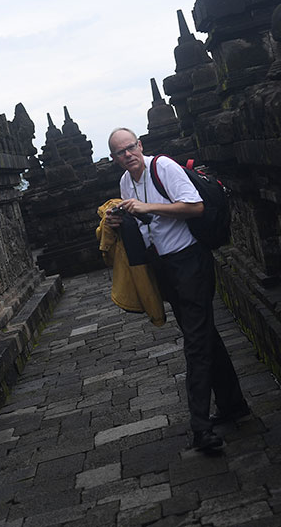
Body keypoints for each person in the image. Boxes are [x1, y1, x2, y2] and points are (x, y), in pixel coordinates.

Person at [105, 128, 250, 451]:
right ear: (114, 159)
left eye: (131, 148)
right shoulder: (126, 183)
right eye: (120, 153)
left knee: (196, 343)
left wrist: (148, 209)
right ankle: (233, 404)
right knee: (204, 335)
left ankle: (201, 427)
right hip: (165, 268)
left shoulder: (164, 167)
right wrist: (121, 221)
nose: (127, 155)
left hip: (190, 261)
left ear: (140, 145)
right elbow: (141, 225)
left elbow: (195, 206)